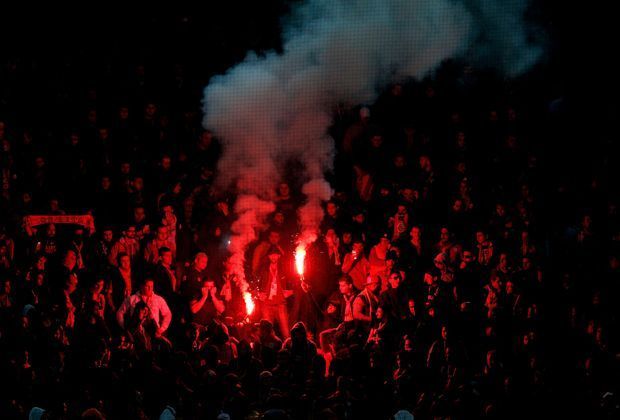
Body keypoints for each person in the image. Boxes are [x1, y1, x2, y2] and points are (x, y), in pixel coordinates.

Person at [257, 246, 293, 339]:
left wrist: (291, 291)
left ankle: (288, 350)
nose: (273, 257)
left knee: (286, 333)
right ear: (269, 256)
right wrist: (258, 293)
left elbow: (293, 279)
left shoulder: (284, 268)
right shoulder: (263, 269)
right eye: (271, 255)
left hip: (281, 303)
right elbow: (255, 282)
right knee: (266, 334)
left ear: (279, 256)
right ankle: (267, 352)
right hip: (266, 304)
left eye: (275, 255)